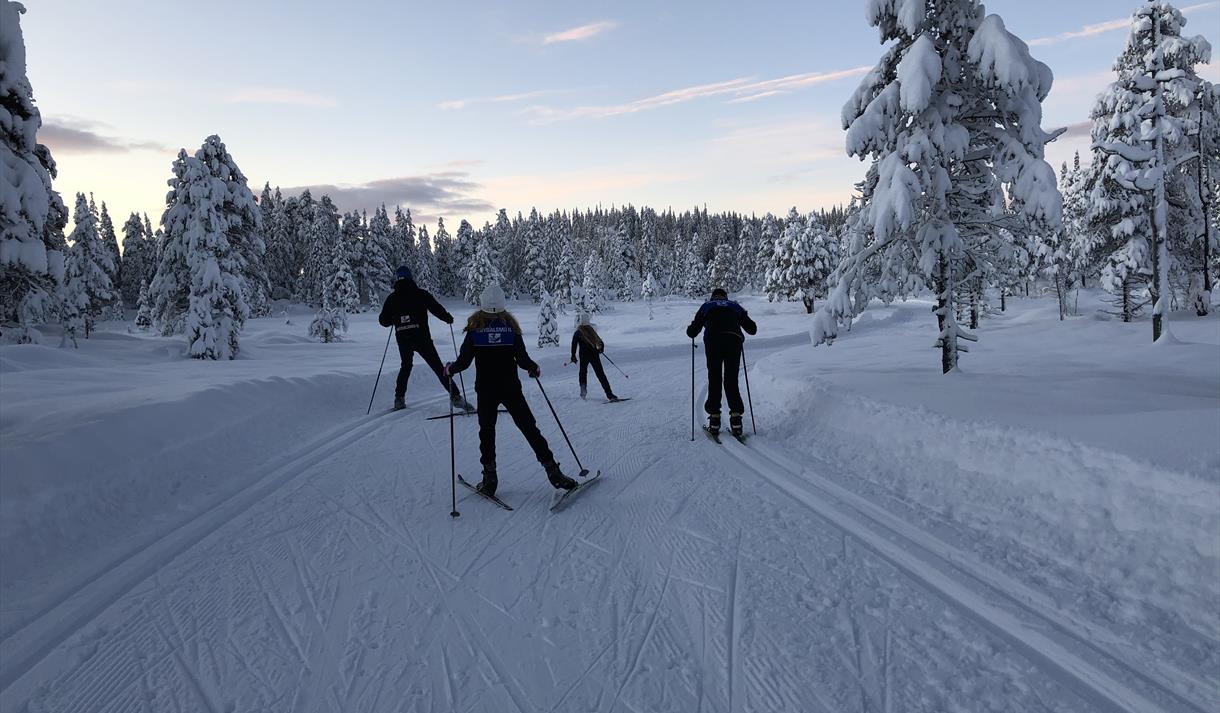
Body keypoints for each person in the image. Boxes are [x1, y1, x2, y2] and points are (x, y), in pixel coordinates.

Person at [445, 285, 578, 497]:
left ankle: (490, 480)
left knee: (487, 433)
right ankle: (554, 473)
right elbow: (522, 359)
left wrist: (450, 369)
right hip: (511, 389)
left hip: (486, 391)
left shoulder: (475, 330)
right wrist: (532, 367)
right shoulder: (510, 328)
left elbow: (464, 362)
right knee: (530, 429)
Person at [378, 265, 469, 411]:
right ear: (410, 278)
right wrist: (448, 318)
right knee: (438, 367)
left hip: (403, 337)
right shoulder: (420, 294)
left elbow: (383, 321)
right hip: (422, 337)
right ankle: (456, 397)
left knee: (405, 366)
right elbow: (436, 308)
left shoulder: (392, 298)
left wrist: (394, 319)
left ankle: (399, 399)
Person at [686, 287, 757, 437]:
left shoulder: (707, 306)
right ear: (726, 297)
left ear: (713, 297)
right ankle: (736, 419)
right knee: (731, 379)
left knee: (715, 378)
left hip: (713, 342)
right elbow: (752, 329)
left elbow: (692, 331)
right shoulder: (735, 306)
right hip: (734, 341)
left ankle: (715, 419)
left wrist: (691, 329)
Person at [568, 313, 620, 401]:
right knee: (601, 375)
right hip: (594, 355)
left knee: (583, 373)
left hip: (583, 356)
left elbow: (573, 345)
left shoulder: (578, 332)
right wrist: (600, 349)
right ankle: (609, 394)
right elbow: (600, 342)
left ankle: (583, 391)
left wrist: (573, 356)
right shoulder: (591, 330)